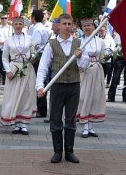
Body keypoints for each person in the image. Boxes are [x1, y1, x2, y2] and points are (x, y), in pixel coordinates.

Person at [36, 13, 87, 164]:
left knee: (71, 120)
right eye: (64, 24)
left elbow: (84, 67)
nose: (66, 26)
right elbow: (43, 67)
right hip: (57, 86)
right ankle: (57, 151)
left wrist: (79, 57)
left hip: (74, 86)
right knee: (56, 119)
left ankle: (69, 152)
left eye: (69, 24)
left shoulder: (79, 43)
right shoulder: (51, 44)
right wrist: (40, 86)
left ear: (72, 26)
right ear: (58, 26)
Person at [1, 17, 37, 135]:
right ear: (13, 25)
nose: (18, 26)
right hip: (14, 67)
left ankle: (24, 122)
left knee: (26, 95)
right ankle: (16, 122)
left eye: (20, 24)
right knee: (14, 95)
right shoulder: (8, 40)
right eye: (16, 24)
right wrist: (8, 71)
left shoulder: (29, 38)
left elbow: (34, 52)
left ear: (23, 25)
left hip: (26, 68)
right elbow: (5, 57)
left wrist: (32, 57)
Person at [76, 17, 106, 138]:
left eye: (89, 25)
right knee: (83, 97)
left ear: (94, 27)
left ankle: (90, 126)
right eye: (85, 26)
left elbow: (103, 56)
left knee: (95, 97)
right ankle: (84, 125)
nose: (87, 28)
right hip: (83, 71)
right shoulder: (78, 41)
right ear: (82, 28)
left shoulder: (100, 41)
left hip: (96, 71)